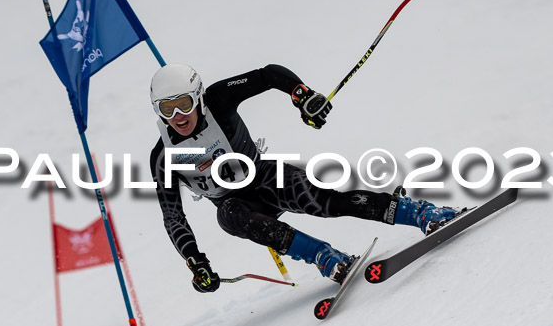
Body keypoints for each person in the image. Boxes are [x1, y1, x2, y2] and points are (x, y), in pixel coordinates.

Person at [149, 64, 459, 293]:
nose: (177, 115)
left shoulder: (217, 99)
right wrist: (196, 262)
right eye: (167, 108)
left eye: (184, 103)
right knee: (228, 216)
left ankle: (420, 213)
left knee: (327, 203)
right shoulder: (163, 157)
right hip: (238, 204)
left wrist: (303, 95)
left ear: (198, 97)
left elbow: (267, 75)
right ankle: (324, 256)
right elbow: (173, 216)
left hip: (265, 178)